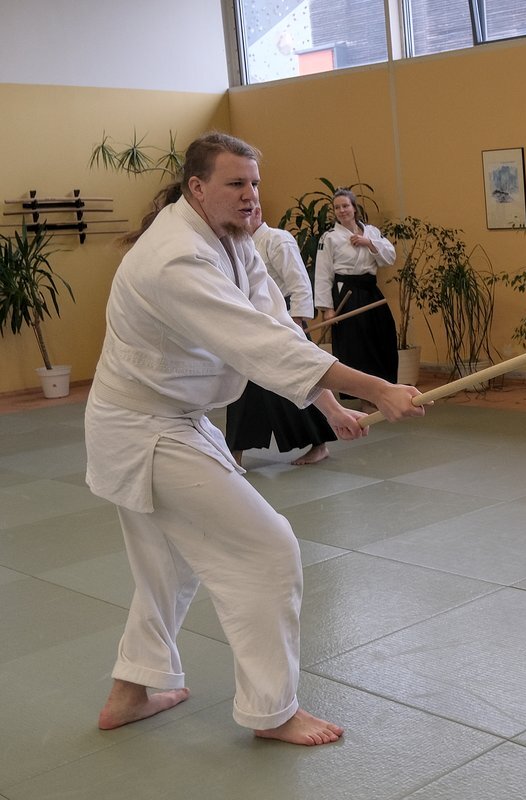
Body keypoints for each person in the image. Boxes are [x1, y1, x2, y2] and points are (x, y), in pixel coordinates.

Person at [85, 131, 425, 746]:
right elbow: (256, 344)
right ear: (197, 187)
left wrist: (330, 407)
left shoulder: (231, 242)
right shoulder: (175, 258)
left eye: (255, 183)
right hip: (144, 429)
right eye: (235, 184)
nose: (251, 196)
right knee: (269, 549)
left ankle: (129, 691)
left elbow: (275, 326)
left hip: (168, 420)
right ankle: (273, 711)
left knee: (169, 562)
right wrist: (376, 387)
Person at [225, 205, 336, 466]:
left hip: (281, 320)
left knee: (296, 386)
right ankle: (234, 451)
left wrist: (296, 322)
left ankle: (319, 444)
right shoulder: (238, 244)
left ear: (259, 213)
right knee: (243, 391)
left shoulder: (277, 239)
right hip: (251, 324)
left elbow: (298, 282)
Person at [313, 188, 398, 403]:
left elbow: (389, 258)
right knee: (356, 346)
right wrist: (327, 309)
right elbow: (323, 273)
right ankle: (363, 396)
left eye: (345, 206)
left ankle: (383, 392)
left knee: (383, 338)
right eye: (337, 207)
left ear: (354, 208)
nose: (342, 210)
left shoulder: (371, 232)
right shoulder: (330, 237)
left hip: (370, 291)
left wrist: (369, 243)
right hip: (346, 295)